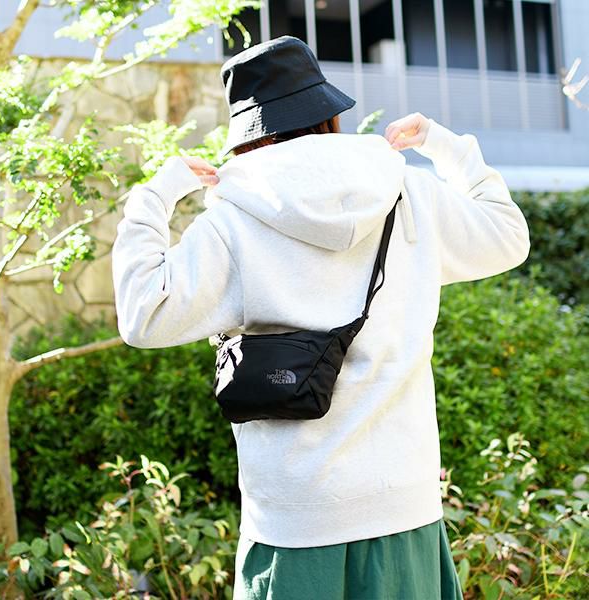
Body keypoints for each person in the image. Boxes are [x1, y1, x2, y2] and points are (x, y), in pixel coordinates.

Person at [111, 35, 530, 600]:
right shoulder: (408, 192)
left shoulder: (232, 221)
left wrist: (155, 196)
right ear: (328, 114)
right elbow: (508, 236)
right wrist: (447, 148)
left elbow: (143, 315)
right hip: (404, 508)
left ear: (248, 134)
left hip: (294, 524)